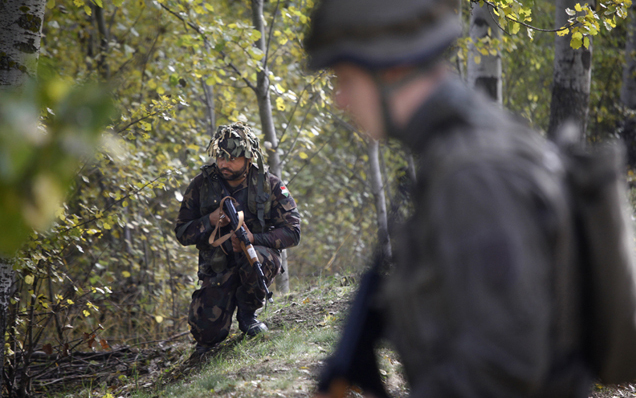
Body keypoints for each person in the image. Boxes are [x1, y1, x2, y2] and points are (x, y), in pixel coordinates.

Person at [305, 0, 593, 396]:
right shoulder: (454, 153)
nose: (340, 98)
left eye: (346, 77)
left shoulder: (475, 175)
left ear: (392, 69)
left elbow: (502, 372)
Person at [175, 122, 301, 355]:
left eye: (232, 158)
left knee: (257, 258)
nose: (224, 163)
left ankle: (248, 314)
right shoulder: (202, 185)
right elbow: (182, 232)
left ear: (248, 158)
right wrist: (210, 221)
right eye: (220, 157)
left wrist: (255, 238)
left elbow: (293, 231)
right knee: (206, 335)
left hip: (254, 260)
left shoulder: (268, 185)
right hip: (217, 268)